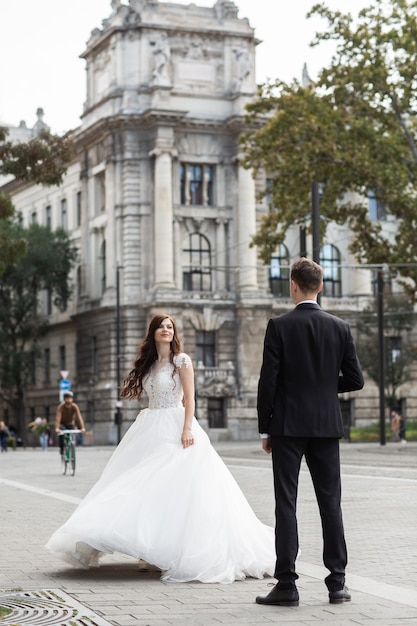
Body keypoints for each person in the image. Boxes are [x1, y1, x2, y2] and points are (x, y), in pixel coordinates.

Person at [46, 312, 275, 583]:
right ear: (153, 332)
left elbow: (190, 399)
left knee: (172, 488)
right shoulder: (149, 364)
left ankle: (162, 551)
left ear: (173, 333)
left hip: (175, 426)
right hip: (148, 427)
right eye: (161, 326)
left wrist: (187, 428)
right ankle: (147, 548)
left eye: (170, 326)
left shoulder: (182, 361)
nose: (166, 330)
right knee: (140, 487)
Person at [255, 257, 364, 607]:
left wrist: (264, 428)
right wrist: (322, 386)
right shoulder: (340, 327)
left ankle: (286, 585)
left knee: (285, 503)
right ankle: (337, 584)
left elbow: (267, 382)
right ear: (321, 286)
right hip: (326, 425)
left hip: (287, 425)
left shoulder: (279, 325)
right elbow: (356, 380)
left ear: (293, 284)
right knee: (330, 503)